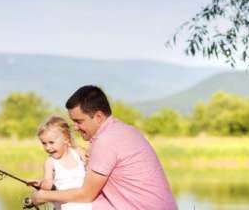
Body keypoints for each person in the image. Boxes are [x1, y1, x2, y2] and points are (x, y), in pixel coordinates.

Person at [31, 85, 177, 209]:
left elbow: (86, 194)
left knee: (74, 205)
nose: (74, 127)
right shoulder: (123, 130)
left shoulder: (105, 140)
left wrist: (45, 195)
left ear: (99, 117)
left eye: (79, 121)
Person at [28, 116, 92, 210]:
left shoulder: (78, 153)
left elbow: (92, 169)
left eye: (51, 142)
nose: (48, 147)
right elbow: (48, 184)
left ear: (66, 139)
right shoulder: (50, 162)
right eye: (44, 143)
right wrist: (40, 183)